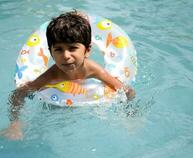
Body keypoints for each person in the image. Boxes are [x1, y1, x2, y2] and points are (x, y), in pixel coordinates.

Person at [2, 10, 135, 140]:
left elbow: (124, 89)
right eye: (58, 49)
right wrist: (15, 123)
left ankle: (79, 18)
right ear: (51, 52)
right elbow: (18, 94)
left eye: (72, 48)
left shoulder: (92, 69)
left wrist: (130, 113)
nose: (66, 56)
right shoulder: (52, 75)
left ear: (87, 50)